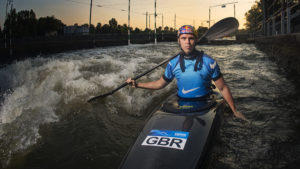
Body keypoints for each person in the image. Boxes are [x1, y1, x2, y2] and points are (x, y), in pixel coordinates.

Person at [126, 25, 247, 121]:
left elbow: (223, 88)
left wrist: (235, 111)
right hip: (182, 103)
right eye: (183, 38)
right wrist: (137, 84)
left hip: (204, 102)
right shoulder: (173, 64)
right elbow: (160, 84)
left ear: (195, 40)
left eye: (191, 38)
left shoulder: (209, 62)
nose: (187, 42)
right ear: (178, 41)